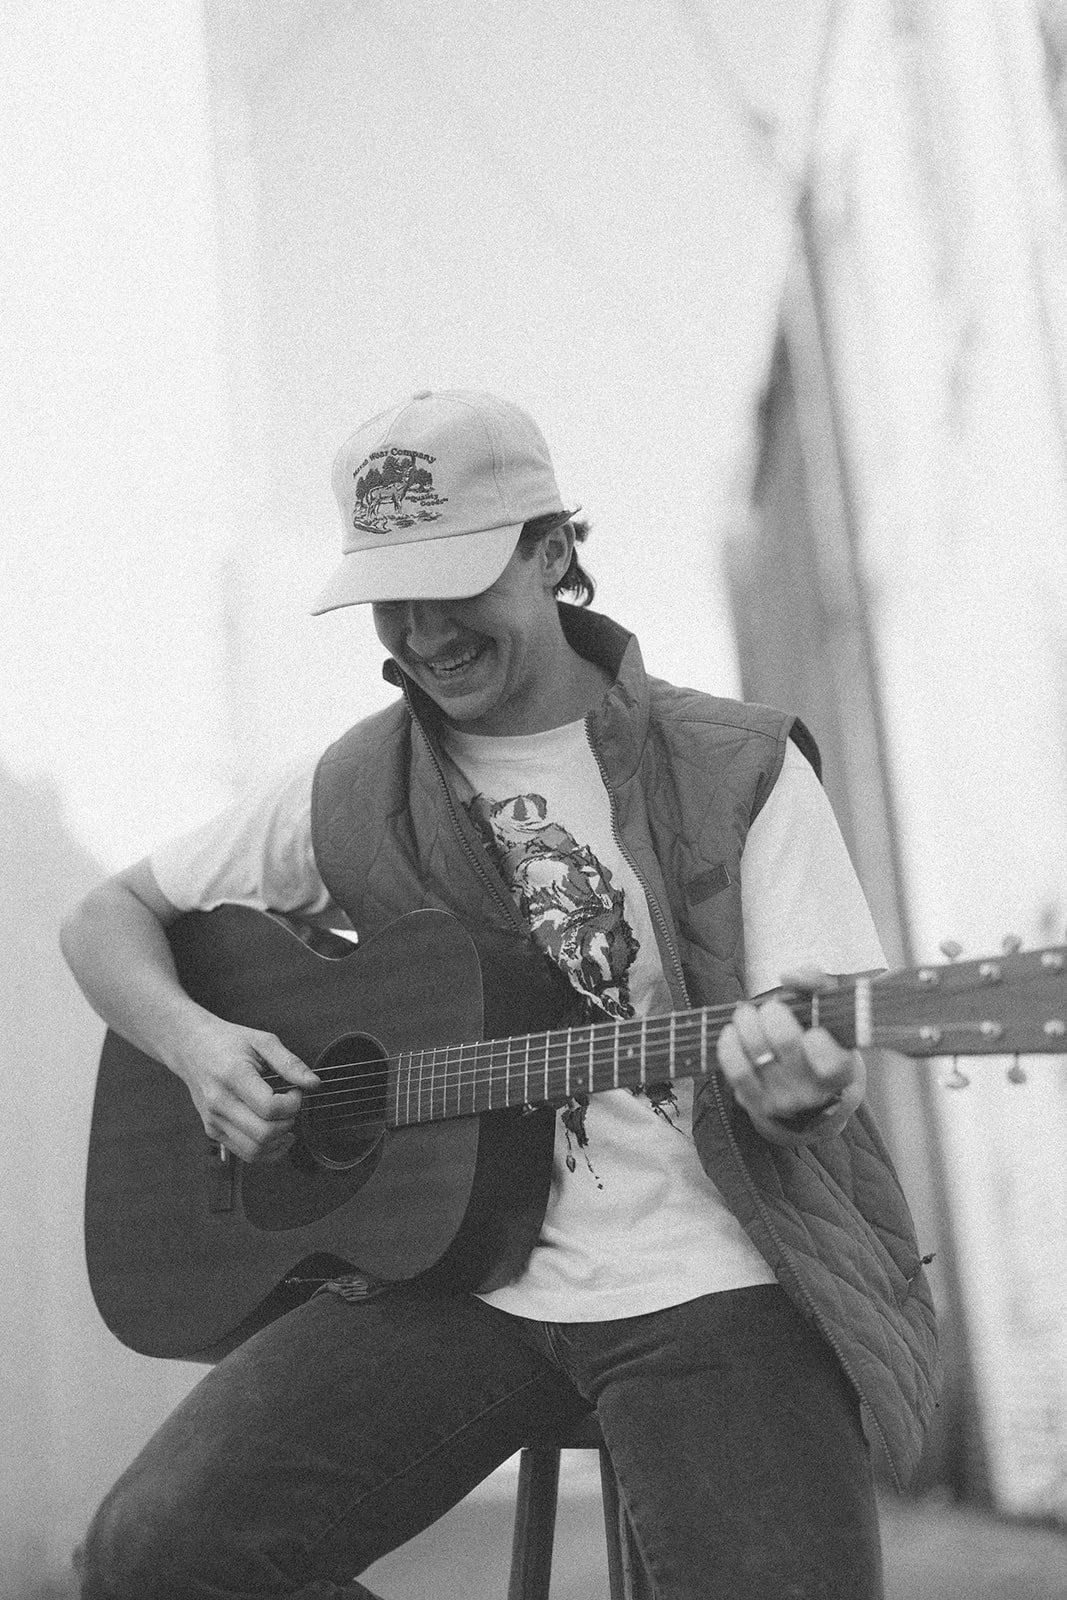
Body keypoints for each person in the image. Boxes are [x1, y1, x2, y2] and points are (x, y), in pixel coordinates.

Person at [62, 389, 939, 1600]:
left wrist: (797, 1094)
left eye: (457, 580)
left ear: (551, 551)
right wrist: (203, 1047)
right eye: (392, 593)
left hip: (719, 1277)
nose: (423, 631)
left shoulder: (736, 766)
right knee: (152, 1560)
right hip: (459, 1279)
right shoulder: (357, 781)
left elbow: (819, 1048)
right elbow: (101, 919)